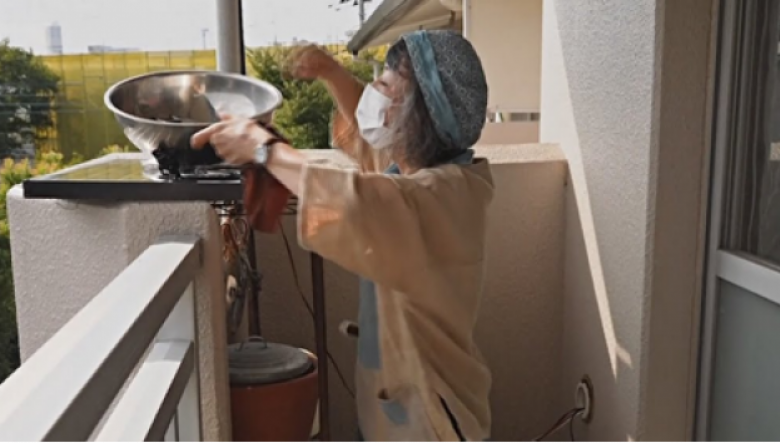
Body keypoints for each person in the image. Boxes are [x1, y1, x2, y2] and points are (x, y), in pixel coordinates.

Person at [192, 30, 493, 443]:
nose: (372, 95)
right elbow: (368, 148)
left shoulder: (439, 197)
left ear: (417, 116)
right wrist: (331, 72)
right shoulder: (415, 170)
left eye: (383, 86)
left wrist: (262, 149)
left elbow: (353, 201)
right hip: (398, 409)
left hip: (431, 420)